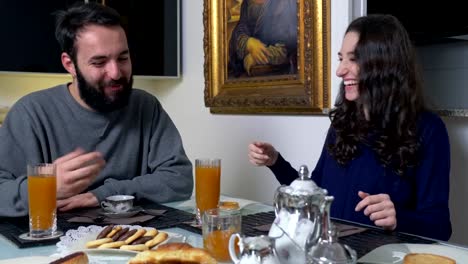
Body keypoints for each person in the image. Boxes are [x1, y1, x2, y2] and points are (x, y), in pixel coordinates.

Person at [248, 14, 452, 241]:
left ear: (384, 64)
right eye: (341, 59)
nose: (340, 71)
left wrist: (399, 218)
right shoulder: (342, 124)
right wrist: (277, 162)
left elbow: (440, 227)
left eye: (353, 59)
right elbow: (315, 195)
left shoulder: (429, 130)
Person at [0, 2, 193, 217]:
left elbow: (180, 179)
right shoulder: (30, 113)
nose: (116, 73)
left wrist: (104, 194)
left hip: (132, 240)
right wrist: (46, 186)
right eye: (99, 62)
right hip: (52, 243)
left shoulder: (146, 107)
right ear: (69, 64)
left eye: (123, 58)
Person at [228, 0, 297, 77]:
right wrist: (248, 43)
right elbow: (239, 32)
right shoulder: (247, 3)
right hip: (247, 72)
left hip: (278, 73)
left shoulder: (285, 4)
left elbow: (286, 47)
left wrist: (256, 57)